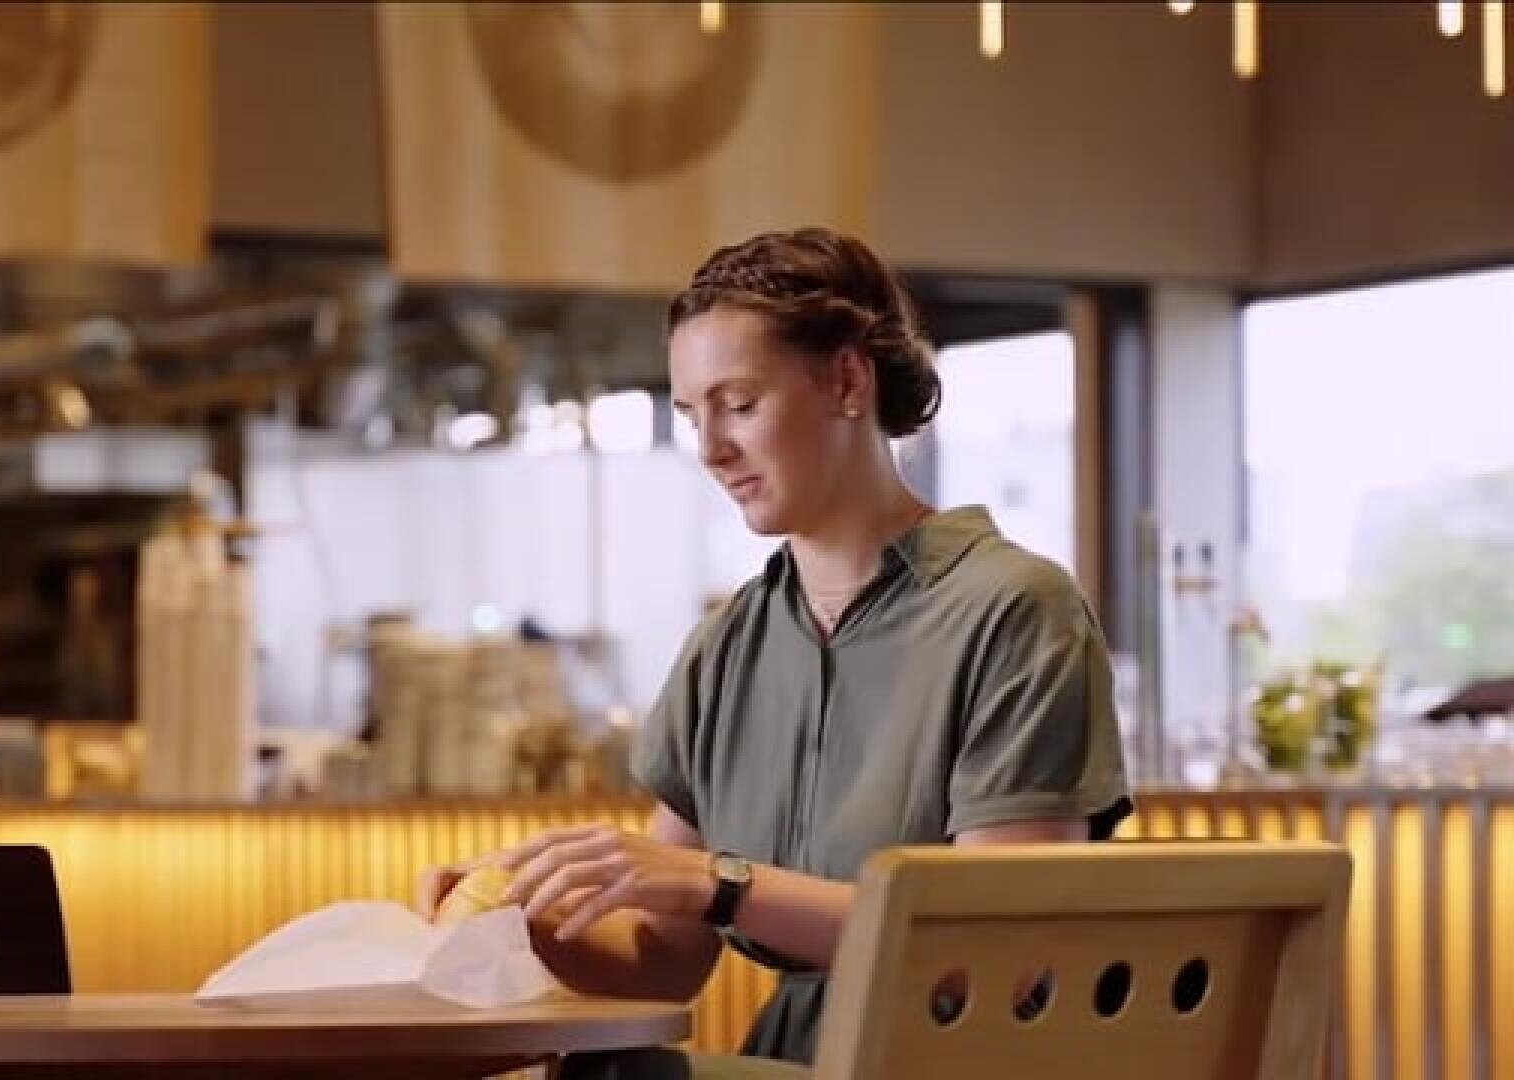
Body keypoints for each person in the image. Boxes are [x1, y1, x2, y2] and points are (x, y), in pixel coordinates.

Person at [418, 228, 1132, 1075]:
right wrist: (525, 918)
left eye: (740, 403)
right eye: (691, 414)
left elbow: (1004, 953)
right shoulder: (729, 646)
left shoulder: (1014, 609)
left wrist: (725, 885)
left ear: (847, 380)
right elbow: (669, 959)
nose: (712, 448)